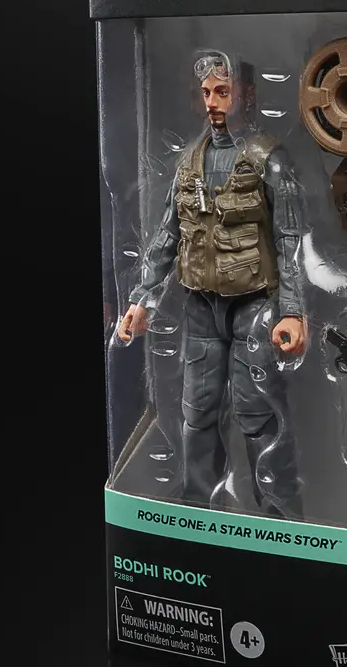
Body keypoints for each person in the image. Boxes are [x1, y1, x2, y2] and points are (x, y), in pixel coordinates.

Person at [118, 52, 308, 518]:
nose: (213, 103)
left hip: (254, 307)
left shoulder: (269, 160)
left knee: (258, 412)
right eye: (206, 93)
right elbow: (167, 236)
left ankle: (283, 521)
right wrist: (142, 299)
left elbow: (290, 241)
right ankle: (196, 516)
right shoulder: (189, 161)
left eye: (223, 92)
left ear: (247, 94)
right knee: (197, 414)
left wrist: (292, 311)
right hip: (201, 308)